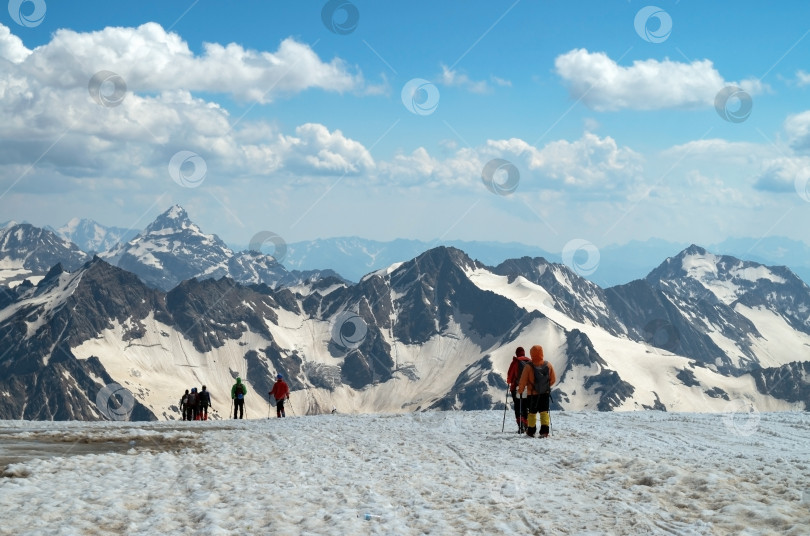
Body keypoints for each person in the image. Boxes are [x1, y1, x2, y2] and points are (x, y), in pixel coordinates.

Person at [517, 345, 556, 438]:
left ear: (531, 354)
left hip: (532, 394)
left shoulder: (528, 366)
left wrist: (520, 390)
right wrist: (546, 386)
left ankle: (531, 431)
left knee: (532, 413)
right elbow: (553, 379)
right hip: (544, 393)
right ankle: (544, 431)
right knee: (544, 413)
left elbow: (523, 380)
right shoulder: (548, 365)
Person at [506, 346, 531, 433]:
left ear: (517, 353)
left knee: (518, 406)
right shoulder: (529, 361)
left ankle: (521, 424)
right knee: (525, 406)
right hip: (527, 388)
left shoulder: (516, 362)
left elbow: (510, 375)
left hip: (516, 388)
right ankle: (526, 423)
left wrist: (509, 381)